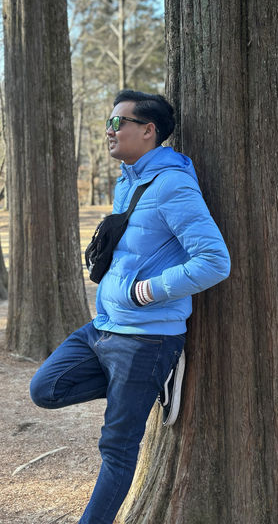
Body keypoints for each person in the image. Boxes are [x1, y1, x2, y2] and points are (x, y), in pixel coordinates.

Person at [29, 89, 231, 524]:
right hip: (104, 326)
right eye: (109, 121)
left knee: (116, 450)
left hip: (146, 336)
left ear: (147, 129)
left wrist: (150, 291)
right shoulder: (130, 179)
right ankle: (149, 383)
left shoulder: (172, 183)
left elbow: (215, 261)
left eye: (118, 121)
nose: (109, 129)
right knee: (45, 389)